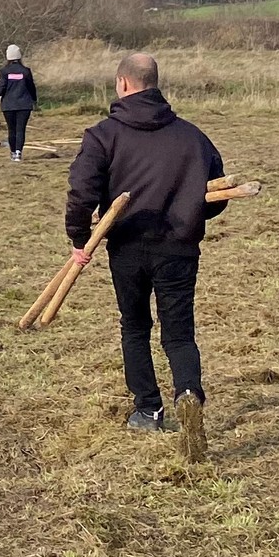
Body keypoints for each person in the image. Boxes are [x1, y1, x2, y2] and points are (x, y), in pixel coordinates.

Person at [67, 53, 226, 435]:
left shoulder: (102, 135)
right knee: (179, 332)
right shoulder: (193, 137)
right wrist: (188, 216)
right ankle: (188, 393)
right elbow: (216, 196)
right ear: (154, 83)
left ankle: (148, 410)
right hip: (179, 247)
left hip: (127, 248)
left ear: (122, 83)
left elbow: (81, 192)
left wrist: (79, 238)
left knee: (135, 326)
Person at [0, 44, 39, 162]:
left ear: (8, 57)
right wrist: (34, 100)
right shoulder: (25, 71)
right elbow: (31, 87)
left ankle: (12, 152)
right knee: (20, 129)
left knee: (12, 129)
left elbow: (1, 87)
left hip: (8, 106)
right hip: (24, 105)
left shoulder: (4, 72)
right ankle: (18, 153)